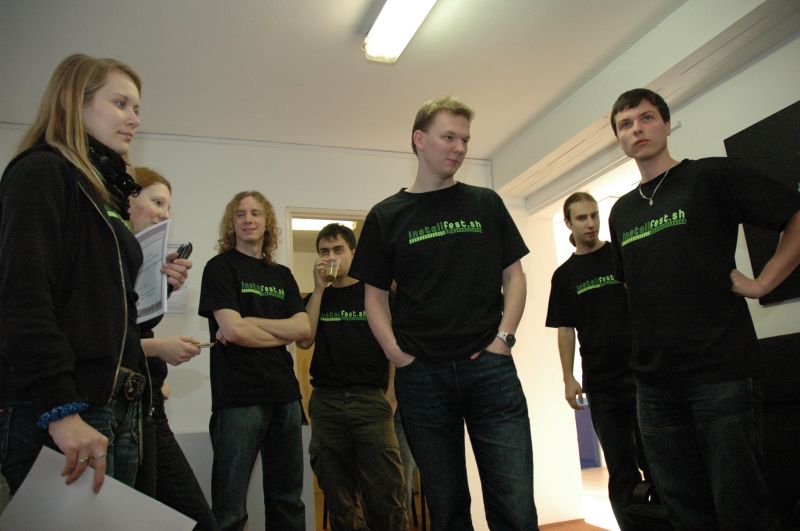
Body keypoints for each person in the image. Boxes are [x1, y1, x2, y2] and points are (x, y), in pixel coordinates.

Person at [607, 88, 800, 530]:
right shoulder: (621, 212)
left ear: (666, 123)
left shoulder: (711, 176)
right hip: (654, 385)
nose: (637, 129)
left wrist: (764, 282)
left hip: (721, 373)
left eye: (647, 117)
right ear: (619, 138)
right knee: (684, 511)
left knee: (741, 507)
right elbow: (634, 287)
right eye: (625, 124)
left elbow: (795, 216)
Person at [349, 96, 538, 530]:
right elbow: (373, 298)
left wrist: (503, 340)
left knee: (514, 505)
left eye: (465, 139)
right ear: (420, 139)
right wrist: (398, 356)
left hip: (490, 371)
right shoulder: (386, 216)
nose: (459, 147)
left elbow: (515, 276)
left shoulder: (485, 203)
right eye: (449, 136)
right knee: (447, 508)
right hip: (423, 378)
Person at [0, 53, 147, 495]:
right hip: (62, 410)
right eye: (120, 103)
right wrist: (60, 409)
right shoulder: (42, 171)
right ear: (74, 102)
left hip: (114, 406)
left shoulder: (101, 193)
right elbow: (22, 297)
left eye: (136, 108)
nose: (134, 119)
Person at [198, 191, 310, 531]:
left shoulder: (283, 275)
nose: (248, 219)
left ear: (267, 223)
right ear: (231, 224)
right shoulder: (219, 268)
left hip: (285, 398)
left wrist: (250, 322)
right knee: (230, 509)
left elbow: (303, 329)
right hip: (238, 399)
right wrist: (278, 333)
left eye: (256, 213)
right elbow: (232, 331)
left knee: (288, 501)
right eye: (240, 214)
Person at [296, 223, 408, 530]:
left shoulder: (377, 294)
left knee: (386, 493)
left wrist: (391, 397)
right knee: (339, 497)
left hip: (370, 401)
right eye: (324, 251)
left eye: (338, 250)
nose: (331, 257)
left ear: (354, 253)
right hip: (327, 403)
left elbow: (396, 349)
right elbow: (304, 340)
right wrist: (319, 289)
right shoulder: (316, 298)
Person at [545, 192, 646, 531]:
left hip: (643, 376)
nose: (590, 224)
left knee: (658, 461)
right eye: (582, 218)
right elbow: (565, 328)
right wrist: (568, 377)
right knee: (621, 469)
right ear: (568, 223)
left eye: (594, 216)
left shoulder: (621, 256)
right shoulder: (564, 275)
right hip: (602, 386)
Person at [129, 166, 218, 531]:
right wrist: (158, 349)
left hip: (150, 409)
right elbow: (101, 340)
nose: (165, 214)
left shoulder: (137, 262)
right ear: (128, 198)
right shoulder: (104, 256)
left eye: (168, 207)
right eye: (157, 202)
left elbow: (132, 326)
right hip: (126, 415)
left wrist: (163, 287)